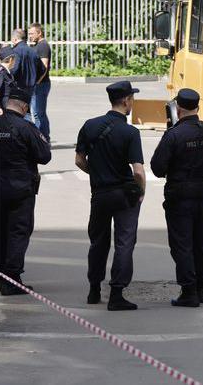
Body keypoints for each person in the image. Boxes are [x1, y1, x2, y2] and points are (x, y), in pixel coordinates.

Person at [150, 88, 203, 307]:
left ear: (178, 109)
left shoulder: (174, 135)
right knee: (202, 242)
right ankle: (201, 288)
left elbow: (157, 167)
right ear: (198, 107)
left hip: (180, 196)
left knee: (182, 243)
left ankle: (189, 291)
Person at [75, 81, 145, 311]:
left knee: (98, 242)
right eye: (132, 98)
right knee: (124, 242)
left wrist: (97, 173)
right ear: (126, 101)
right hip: (124, 195)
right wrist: (141, 191)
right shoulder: (130, 132)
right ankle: (116, 294)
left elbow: (79, 160)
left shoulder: (90, 126)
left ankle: (94, 289)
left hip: (100, 194)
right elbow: (138, 170)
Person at [0, 85, 51, 295]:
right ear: (25, 107)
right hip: (21, 188)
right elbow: (44, 156)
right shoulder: (26, 128)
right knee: (18, 232)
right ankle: (12, 279)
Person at [28, 23, 52, 139]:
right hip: (38, 84)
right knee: (37, 113)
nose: (30, 36)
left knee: (39, 113)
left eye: (32, 33)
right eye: (29, 34)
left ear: (39, 33)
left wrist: (37, 82)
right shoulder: (38, 45)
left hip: (41, 85)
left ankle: (44, 138)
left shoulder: (43, 46)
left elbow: (44, 66)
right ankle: (42, 138)